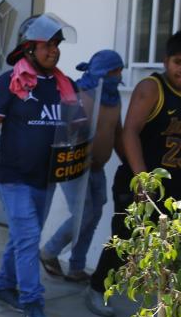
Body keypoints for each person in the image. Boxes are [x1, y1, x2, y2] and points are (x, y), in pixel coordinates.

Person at [84, 31, 181, 317]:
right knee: (125, 242)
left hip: (178, 182)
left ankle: (180, 301)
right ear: (166, 61)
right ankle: (96, 289)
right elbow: (130, 132)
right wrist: (143, 178)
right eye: (178, 62)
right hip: (140, 181)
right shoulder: (152, 88)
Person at [0, 13, 79, 317]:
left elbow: (74, 128)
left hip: (45, 178)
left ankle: (4, 287)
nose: (55, 51)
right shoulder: (9, 82)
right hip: (13, 176)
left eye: (57, 45)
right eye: (48, 45)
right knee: (29, 237)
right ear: (29, 48)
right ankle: (32, 302)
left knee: (22, 238)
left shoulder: (64, 85)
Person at [40, 49, 125, 282]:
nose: (117, 75)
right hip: (74, 165)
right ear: (100, 72)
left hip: (97, 167)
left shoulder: (114, 98)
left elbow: (117, 133)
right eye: (113, 71)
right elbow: (65, 131)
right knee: (84, 212)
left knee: (95, 212)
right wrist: (81, 153)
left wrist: (131, 163)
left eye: (120, 70)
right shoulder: (77, 93)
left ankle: (77, 266)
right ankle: (49, 251)